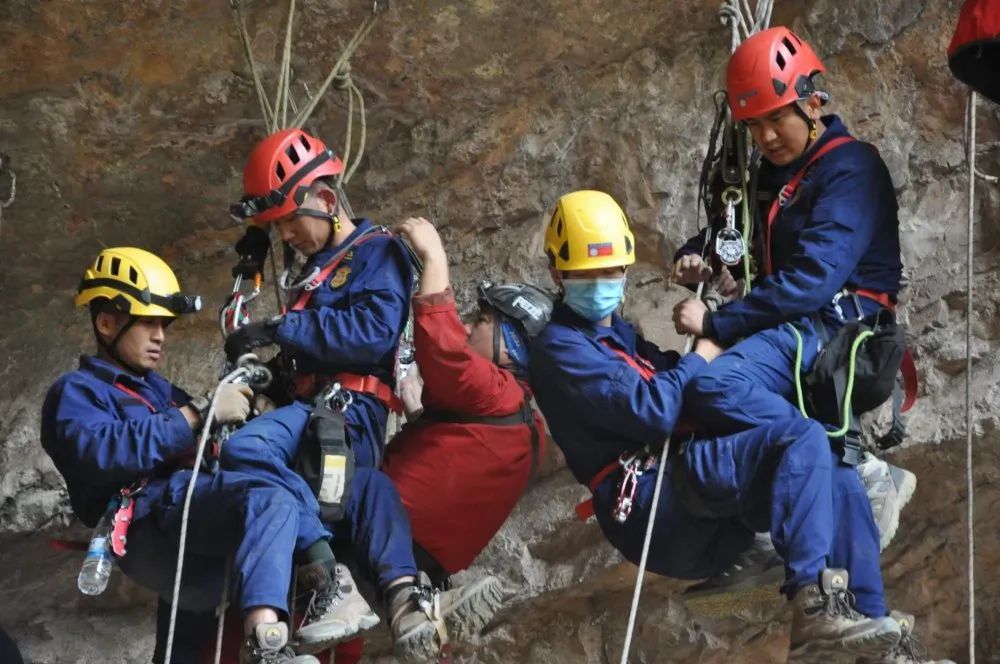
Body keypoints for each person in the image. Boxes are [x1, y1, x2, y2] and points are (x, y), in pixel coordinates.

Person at [529, 190, 906, 659]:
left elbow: (673, 374)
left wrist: (726, 309)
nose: (602, 282)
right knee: (800, 440)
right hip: (655, 501)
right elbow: (655, 408)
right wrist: (706, 347)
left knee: (828, 466)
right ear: (555, 274)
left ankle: (865, 624)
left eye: (611, 271)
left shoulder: (616, 336)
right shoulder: (559, 349)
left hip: (692, 497)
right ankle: (813, 606)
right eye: (586, 274)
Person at [221, 130, 495, 662]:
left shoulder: (377, 253)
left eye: (289, 219)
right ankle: (403, 597)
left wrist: (282, 328)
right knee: (364, 490)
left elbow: (371, 332)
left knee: (246, 452)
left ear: (325, 200)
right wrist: (262, 374)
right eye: (275, 225)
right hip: (320, 419)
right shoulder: (314, 275)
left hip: (345, 412)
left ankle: (329, 579)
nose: (286, 234)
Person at [671, 26, 915, 553]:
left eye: (776, 118)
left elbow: (813, 280)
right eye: (754, 126)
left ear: (811, 102)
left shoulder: (850, 169)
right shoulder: (771, 175)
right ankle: (769, 533)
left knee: (711, 385)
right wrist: (697, 254)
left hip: (836, 330)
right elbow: (735, 235)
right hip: (797, 326)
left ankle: (854, 464)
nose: (766, 138)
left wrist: (717, 324)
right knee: (709, 423)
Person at [40, 247, 321, 664]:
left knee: (187, 640)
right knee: (268, 500)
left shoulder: (159, 391)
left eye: (164, 325)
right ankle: (266, 647)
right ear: (106, 322)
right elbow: (102, 451)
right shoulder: (77, 392)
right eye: (149, 324)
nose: (160, 337)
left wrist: (253, 413)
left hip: (188, 521)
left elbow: (209, 442)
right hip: (148, 521)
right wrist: (199, 414)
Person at [382, 217, 551, 607]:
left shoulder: (496, 393)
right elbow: (463, 460)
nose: (469, 325)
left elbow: (443, 347)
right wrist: (421, 417)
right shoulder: (529, 425)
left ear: (510, 349)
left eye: (483, 320)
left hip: (386, 531)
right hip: (425, 564)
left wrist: (433, 257)